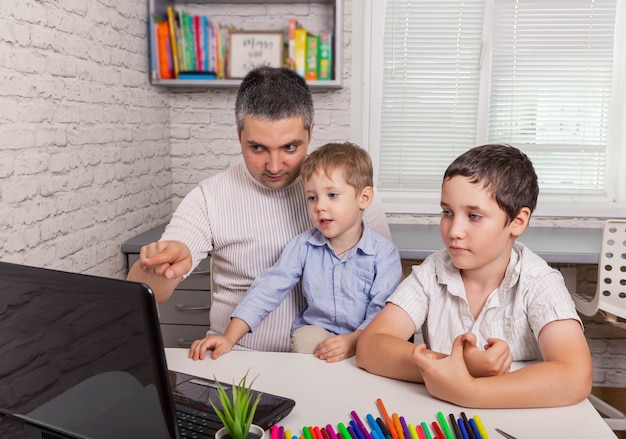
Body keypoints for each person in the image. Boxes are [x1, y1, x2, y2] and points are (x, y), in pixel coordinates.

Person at [127, 67, 391, 352]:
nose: (275, 166)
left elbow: (387, 295)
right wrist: (157, 268)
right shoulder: (209, 196)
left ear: (311, 132)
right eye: (258, 148)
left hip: (331, 363)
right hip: (238, 358)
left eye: (290, 147)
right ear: (239, 135)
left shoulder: (349, 193)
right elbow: (148, 290)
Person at [356, 144, 592, 408]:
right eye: (447, 212)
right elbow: (370, 347)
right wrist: (461, 365)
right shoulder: (432, 272)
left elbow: (575, 376)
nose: (454, 230)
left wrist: (470, 391)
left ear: (517, 221)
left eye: (474, 216)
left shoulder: (539, 282)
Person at [188, 142, 402, 363]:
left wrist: (354, 341)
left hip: (367, 337)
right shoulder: (303, 246)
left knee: (379, 350)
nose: (319, 206)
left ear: (364, 198)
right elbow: (268, 289)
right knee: (307, 341)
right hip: (319, 335)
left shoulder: (384, 254)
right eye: (312, 197)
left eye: (332, 195)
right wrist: (229, 338)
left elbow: (383, 311)